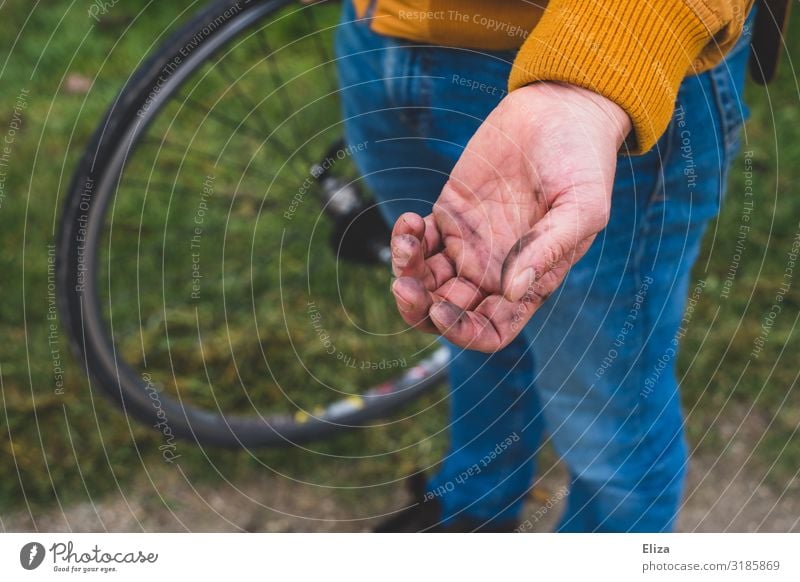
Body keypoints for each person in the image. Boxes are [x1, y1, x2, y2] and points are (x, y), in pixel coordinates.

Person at [334, 0, 758, 532]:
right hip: (379, 32)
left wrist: (593, 80)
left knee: (608, 411)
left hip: (608, 65)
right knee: (470, 315)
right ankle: (472, 514)